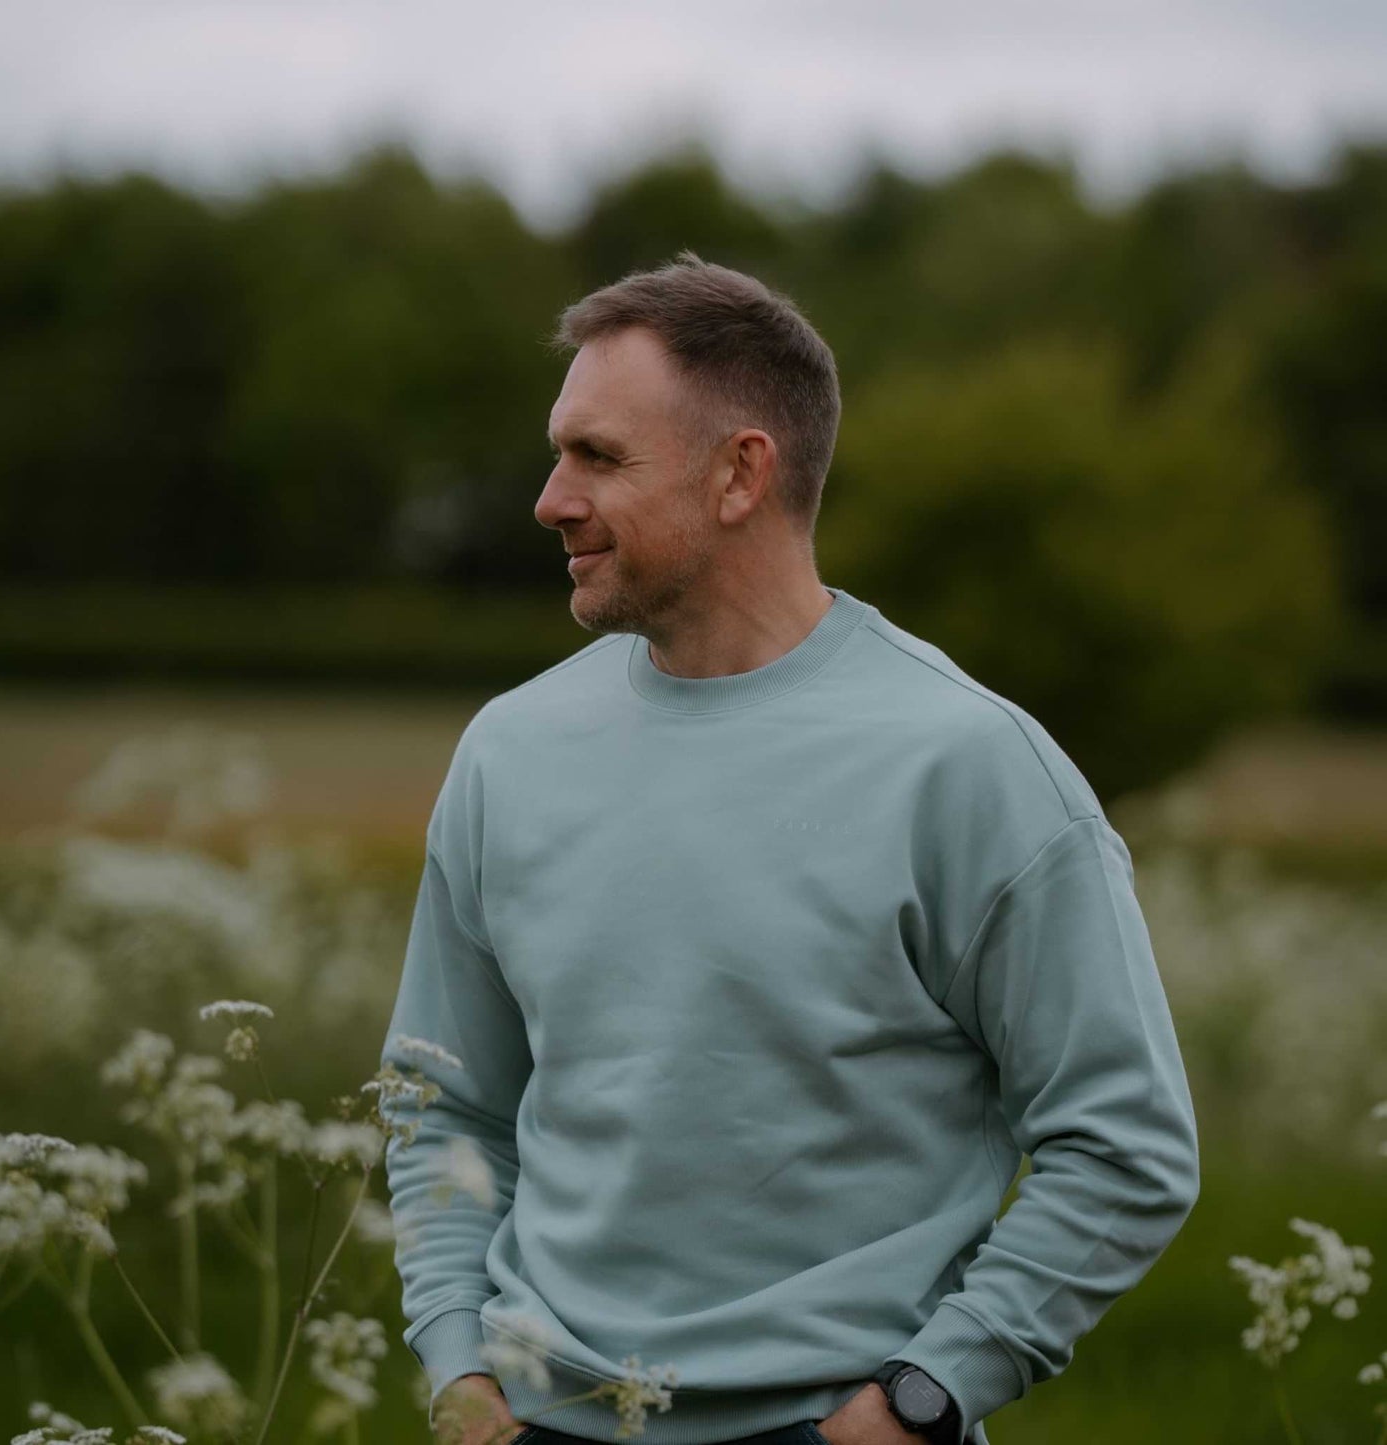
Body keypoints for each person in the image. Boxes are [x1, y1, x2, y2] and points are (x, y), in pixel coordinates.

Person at [378, 252, 1200, 1445]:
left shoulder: (966, 763)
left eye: (597, 456)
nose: (549, 498)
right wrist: (459, 1359)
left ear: (737, 474)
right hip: (532, 1419)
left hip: (840, 1427)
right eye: (558, 453)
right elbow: (442, 1103)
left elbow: (1123, 1143)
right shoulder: (509, 750)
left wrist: (921, 1399)